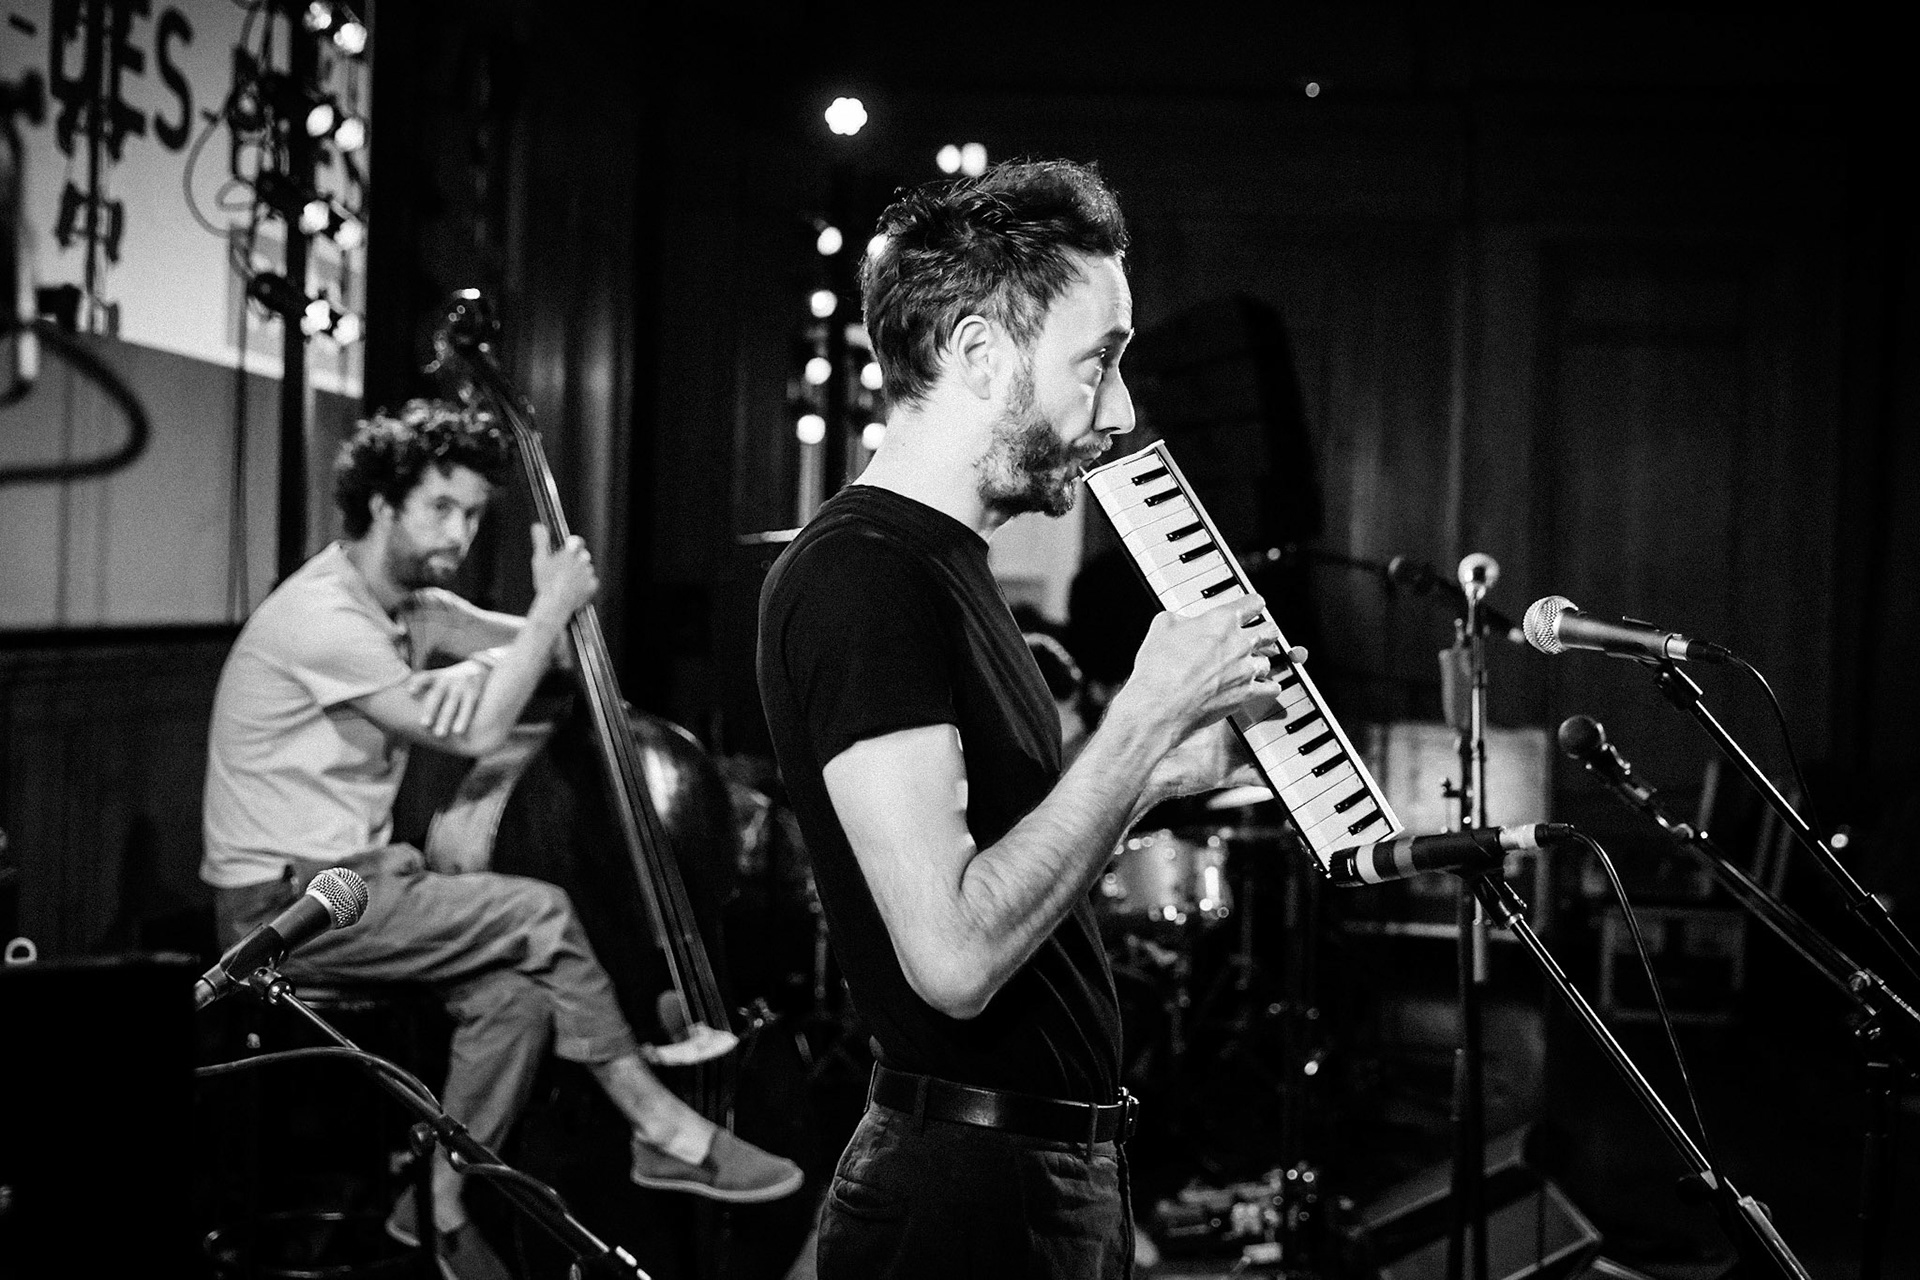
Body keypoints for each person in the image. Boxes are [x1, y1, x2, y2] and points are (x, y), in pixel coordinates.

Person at [756, 160, 1284, 1278]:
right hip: (968, 1195)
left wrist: (1145, 777)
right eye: (1100, 360)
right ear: (982, 353)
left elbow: (1005, 856)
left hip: (1035, 1176)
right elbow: (951, 954)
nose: (1124, 409)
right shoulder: (862, 577)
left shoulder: (947, 567)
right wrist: (1136, 723)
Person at [202, 400, 801, 1279]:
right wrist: (542, 614)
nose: (461, 530)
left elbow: (555, 660)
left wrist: (534, 627)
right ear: (380, 505)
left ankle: (434, 1206)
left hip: (365, 882)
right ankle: (660, 1125)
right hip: (285, 908)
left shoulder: (414, 611)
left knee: (515, 997)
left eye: (475, 512)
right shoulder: (322, 618)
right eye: (441, 508)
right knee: (542, 911)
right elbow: (481, 732)